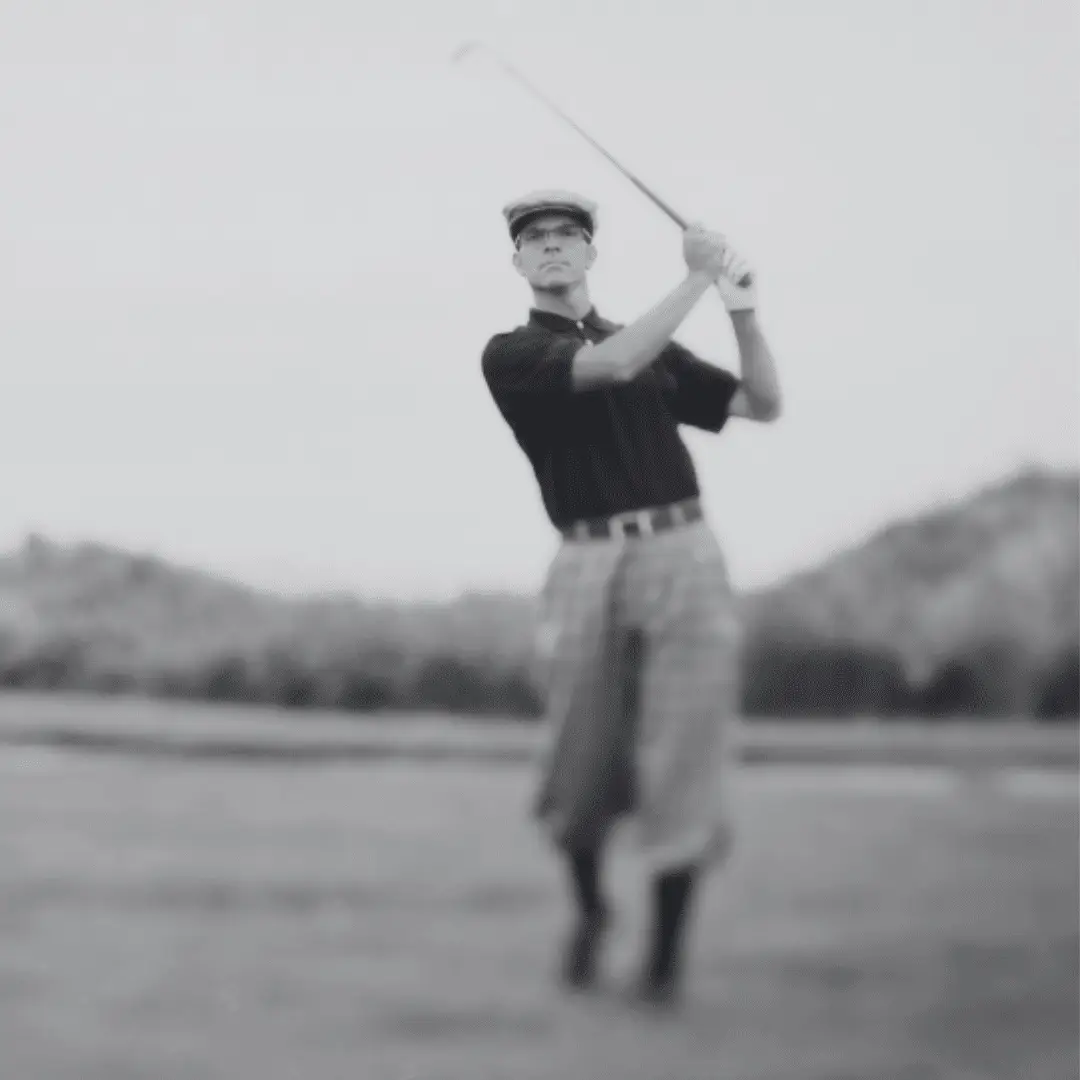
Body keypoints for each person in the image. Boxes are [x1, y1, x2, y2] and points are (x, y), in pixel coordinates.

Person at [480, 189, 783, 1007]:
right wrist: (695, 279)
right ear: (518, 261)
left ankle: (663, 969)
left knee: (685, 753)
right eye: (535, 238)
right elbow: (610, 366)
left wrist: (743, 312)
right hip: (587, 560)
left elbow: (761, 404)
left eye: (566, 234)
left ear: (589, 253)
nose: (551, 245)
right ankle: (592, 912)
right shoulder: (512, 353)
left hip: (685, 552)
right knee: (580, 763)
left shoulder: (649, 342)